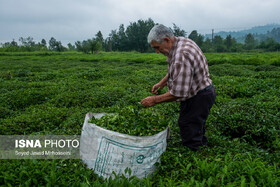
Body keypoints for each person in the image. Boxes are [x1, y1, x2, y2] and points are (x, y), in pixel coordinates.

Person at [140, 24, 216, 151]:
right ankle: (202, 148)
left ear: (166, 40)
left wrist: (154, 100)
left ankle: (196, 157)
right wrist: (162, 83)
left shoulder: (181, 56)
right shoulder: (180, 41)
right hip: (202, 92)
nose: (157, 52)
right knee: (195, 125)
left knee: (189, 126)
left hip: (199, 97)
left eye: (157, 48)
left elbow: (179, 94)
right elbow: (175, 70)